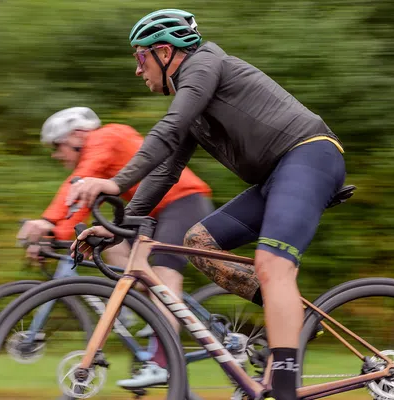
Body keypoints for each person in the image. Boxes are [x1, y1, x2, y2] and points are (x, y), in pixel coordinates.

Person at [67, 9, 346, 400]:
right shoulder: (193, 100)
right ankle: (296, 318)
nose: (137, 70)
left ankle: (284, 387)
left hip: (310, 157)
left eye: (140, 58)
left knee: (272, 264)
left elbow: (165, 133)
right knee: (198, 243)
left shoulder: (204, 65)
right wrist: (119, 228)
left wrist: (114, 181)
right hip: (280, 176)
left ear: (165, 52)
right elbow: (165, 172)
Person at [15, 106, 215, 388]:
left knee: (164, 273)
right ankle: (138, 307)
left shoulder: (105, 137)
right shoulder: (97, 151)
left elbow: (82, 184)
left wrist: (49, 222)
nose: (56, 154)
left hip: (182, 201)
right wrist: (56, 231)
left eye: (58, 146)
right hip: (150, 212)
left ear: (77, 135)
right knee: (113, 249)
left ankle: (162, 362)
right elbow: (83, 199)